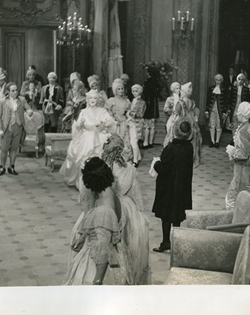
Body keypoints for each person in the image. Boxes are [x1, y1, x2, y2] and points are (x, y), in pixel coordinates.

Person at [101, 134, 150, 284]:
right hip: (126, 207)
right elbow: (135, 195)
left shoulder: (101, 168)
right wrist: (138, 214)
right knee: (128, 243)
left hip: (104, 206)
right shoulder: (130, 169)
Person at [64, 157, 121, 285]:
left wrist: (97, 280)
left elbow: (103, 247)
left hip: (98, 266)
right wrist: (84, 236)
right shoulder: (106, 191)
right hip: (94, 250)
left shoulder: (104, 211)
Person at [152, 118, 194, 252]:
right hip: (182, 186)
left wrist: (156, 164)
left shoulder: (170, 148)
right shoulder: (189, 147)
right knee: (177, 214)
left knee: (166, 215)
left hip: (168, 187)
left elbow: (163, 168)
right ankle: (176, 241)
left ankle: (165, 242)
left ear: (175, 131)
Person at [59, 90, 115, 188]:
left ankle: (101, 180)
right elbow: (78, 124)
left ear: (97, 100)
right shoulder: (84, 112)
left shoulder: (102, 111)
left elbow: (110, 120)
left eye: (94, 98)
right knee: (83, 157)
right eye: (90, 98)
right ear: (87, 100)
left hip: (100, 136)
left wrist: (104, 124)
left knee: (101, 157)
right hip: (87, 137)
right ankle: (83, 182)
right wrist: (79, 124)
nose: (92, 100)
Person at [225, 102, 250, 209]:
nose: (236, 114)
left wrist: (232, 153)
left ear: (242, 114)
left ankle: (235, 213)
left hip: (243, 166)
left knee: (237, 190)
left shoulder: (243, 130)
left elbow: (243, 154)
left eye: (238, 112)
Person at [0, 82, 33, 176]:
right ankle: (2, 167)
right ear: (8, 92)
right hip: (7, 128)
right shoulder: (2, 101)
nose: (16, 92)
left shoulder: (22, 100)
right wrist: (0, 128)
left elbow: (28, 108)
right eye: (13, 90)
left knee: (14, 148)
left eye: (16, 90)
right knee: (4, 149)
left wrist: (29, 111)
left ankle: (11, 167)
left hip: (18, 127)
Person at [105, 80, 133, 162]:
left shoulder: (126, 101)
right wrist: (113, 117)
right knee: (114, 139)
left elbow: (128, 112)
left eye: (122, 88)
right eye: (118, 89)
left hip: (123, 121)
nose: (121, 90)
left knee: (125, 138)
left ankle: (125, 158)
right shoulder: (111, 100)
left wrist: (129, 117)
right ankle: (113, 157)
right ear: (115, 90)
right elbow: (107, 111)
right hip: (114, 122)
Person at [176, 82, 202, 167]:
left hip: (183, 122)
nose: (191, 91)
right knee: (193, 141)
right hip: (192, 122)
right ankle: (192, 158)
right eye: (189, 89)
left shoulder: (181, 102)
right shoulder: (191, 102)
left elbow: (177, 112)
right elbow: (195, 112)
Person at [205, 74, 228, 148]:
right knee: (212, 125)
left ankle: (217, 141)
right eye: (216, 80)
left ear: (221, 81)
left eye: (219, 80)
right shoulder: (211, 88)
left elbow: (225, 101)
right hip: (212, 109)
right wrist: (207, 110)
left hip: (220, 110)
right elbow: (208, 100)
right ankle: (212, 141)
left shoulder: (224, 89)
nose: (218, 81)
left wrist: (224, 111)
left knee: (219, 125)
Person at [127, 84, 146, 167]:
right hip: (132, 123)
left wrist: (129, 113)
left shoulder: (142, 102)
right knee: (133, 141)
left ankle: (135, 160)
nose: (134, 93)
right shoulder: (133, 100)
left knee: (134, 141)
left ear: (140, 91)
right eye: (133, 91)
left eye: (136, 91)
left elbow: (140, 113)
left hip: (137, 123)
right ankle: (137, 157)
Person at [142, 67, 162, 149]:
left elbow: (145, 93)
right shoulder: (156, 81)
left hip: (148, 103)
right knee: (152, 125)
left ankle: (146, 143)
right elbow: (160, 89)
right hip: (154, 102)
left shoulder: (147, 82)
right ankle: (150, 143)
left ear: (149, 73)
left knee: (147, 124)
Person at [162, 82, 181, 147]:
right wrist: (172, 111)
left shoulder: (181, 99)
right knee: (170, 131)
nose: (179, 90)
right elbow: (165, 109)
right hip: (172, 118)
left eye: (179, 88)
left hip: (180, 118)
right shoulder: (169, 99)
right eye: (177, 88)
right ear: (173, 89)